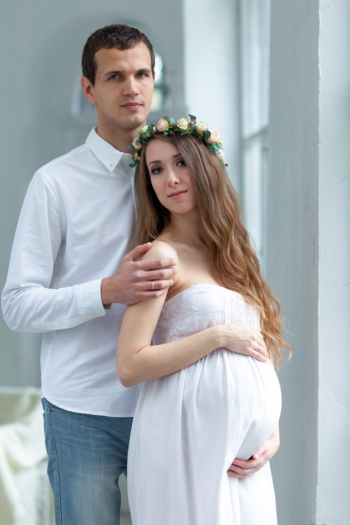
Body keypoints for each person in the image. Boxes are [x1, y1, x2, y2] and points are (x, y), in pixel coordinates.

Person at [2, 25, 279, 525]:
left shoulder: (177, 172)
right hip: (85, 407)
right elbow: (16, 304)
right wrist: (108, 291)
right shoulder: (55, 183)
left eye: (142, 74)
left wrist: (264, 426)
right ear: (89, 89)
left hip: (178, 407)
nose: (131, 87)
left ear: (155, 81)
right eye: (114, 76)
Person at [116, 116, 290, 524]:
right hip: (183, 439)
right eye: (156, 169)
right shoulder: (161, 256)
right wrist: (216, 336)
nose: (170, 179)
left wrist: (272, 433)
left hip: (245, 458)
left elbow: (255, 350)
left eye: (180, 163)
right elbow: (129, 364)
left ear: (206, 166)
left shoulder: (234, 256)